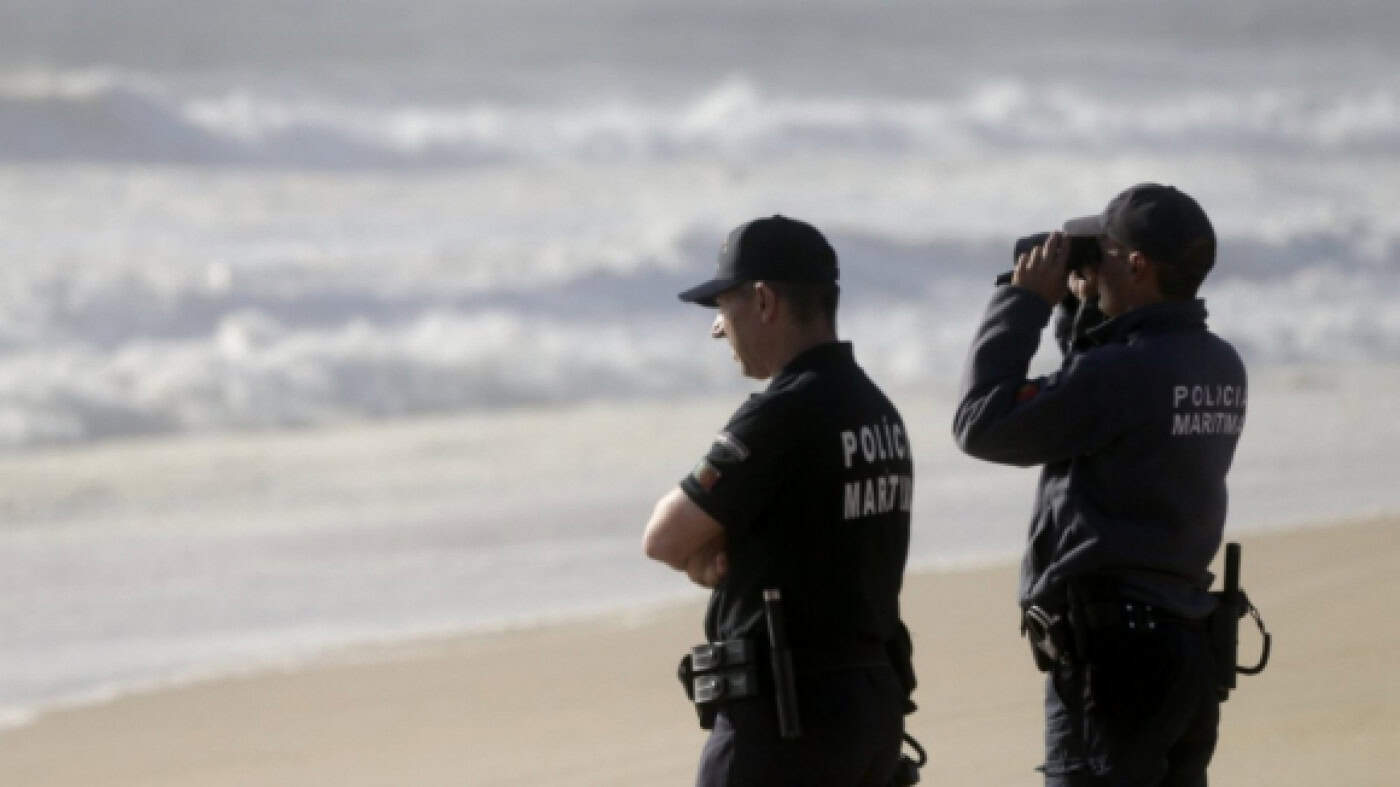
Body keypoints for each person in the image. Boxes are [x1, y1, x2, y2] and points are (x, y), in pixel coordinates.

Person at [953, 183, 1246, 786]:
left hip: (1115, 663)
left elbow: (982, 425)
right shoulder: (1217, 362)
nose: (1092, 263)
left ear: (1137, 265)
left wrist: (1023, 302)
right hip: (1184, 647)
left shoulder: (1124, 372)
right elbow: (1092, 403)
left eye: (1105, 252)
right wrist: (1078, 307)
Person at [643, 215, 917, 787]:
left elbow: (665, 537)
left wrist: (707, 555)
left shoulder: (782, 414)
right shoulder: (877, 411)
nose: (719, 329)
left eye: (724, 307)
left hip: (786, 724)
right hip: (870, 713)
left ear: (764, 300)